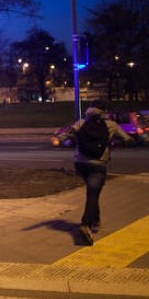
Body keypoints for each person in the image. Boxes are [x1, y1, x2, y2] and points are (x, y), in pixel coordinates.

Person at [54, 100, 134, 245]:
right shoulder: (111, 125)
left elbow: (62, 138)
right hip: (98, 164)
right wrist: (117, 143)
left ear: (90, 109)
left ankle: (96, 221)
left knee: (92, 192)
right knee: (93, 194)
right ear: (104, 110)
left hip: (80, 164)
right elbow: (127, 139)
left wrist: (65, 141)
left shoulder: (81, 123)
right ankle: (86, 224)